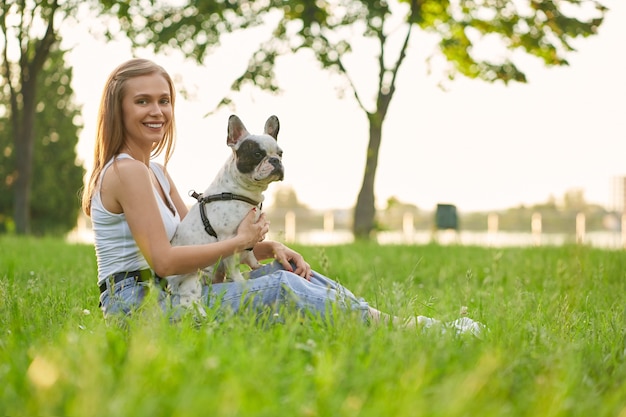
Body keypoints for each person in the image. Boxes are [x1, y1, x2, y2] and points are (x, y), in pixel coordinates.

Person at [81, 58, 483, 336]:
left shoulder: (155, 171)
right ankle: (411, 330)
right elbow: (166, 261)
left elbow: (203, 241)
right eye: (142, 101)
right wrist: (241, 242)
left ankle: (392, 326)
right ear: (118, 109)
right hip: (138, 309)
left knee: (284, 274)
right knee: (282, 290)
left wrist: (269, 247)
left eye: (164, 100)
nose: (157, 111)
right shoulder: (126, 171)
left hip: (171, 293)